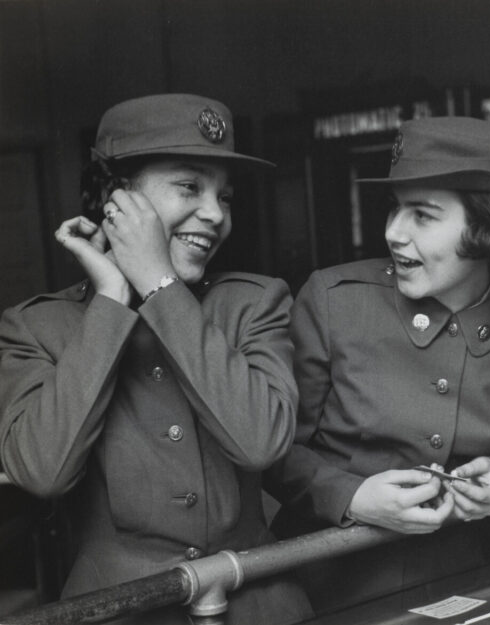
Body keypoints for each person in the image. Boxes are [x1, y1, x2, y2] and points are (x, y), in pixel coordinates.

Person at [0, 94, 311, 624]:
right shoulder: (36, 327)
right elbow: (42, 472)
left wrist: (159, 285)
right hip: (119, 613)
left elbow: (260, 441)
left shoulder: (255, 303)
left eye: (226, 197)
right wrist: (110, 302)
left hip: (262, 610)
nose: (214, 214)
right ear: (115, 199)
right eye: (190, 187)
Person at [265, 116, 490, 610]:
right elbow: (275, 450)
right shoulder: (333, 302)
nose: (393, 232)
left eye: (423, 215)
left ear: (489, 227)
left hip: (460, 581)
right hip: (324, 583)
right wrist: (352, 497)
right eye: (395, 209)